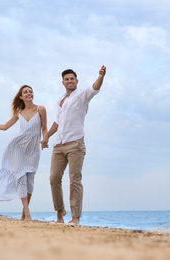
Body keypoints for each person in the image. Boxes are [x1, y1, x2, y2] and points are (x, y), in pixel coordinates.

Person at [41, 65, 106, 224]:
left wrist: (101, 77)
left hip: (75, 143)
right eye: (66, 79)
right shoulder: (60, 100)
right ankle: (60, 212)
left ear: (76, 81)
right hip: (59, 144)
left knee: (74, 179)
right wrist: (46, 137)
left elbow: (94, 88)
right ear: (63, 82)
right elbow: (57, 122)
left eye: (72, 79)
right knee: (54, 178)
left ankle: (75, 217)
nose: (69, 81)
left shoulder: (82, 95)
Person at [0, 85, 47, 221]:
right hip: (18, 148)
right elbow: (5, 127)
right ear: (21, 97)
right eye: (25, 92)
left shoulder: (41, 109)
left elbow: (44, 128)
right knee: (21, 178)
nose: (29, 93)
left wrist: (45, 139)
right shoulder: (19, 112)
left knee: (30, 181)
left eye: (30, 91)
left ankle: (23, 212)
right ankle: (27, 212)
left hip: (33, 149)